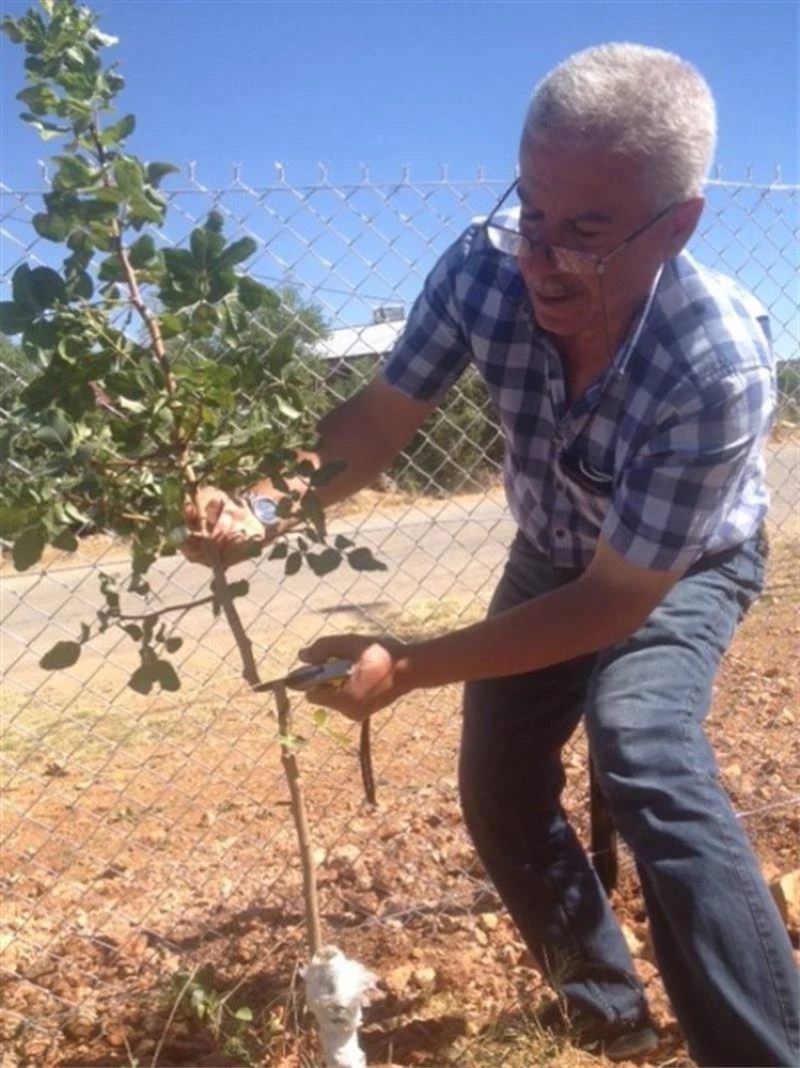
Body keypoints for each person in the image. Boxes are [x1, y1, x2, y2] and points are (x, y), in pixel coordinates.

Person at [184, 43, 799, 1067]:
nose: (539, 257)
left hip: (679, 565)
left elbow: (610, 602)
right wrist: (261, 505)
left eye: (586, 232)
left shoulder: (713, 358)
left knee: (639, 743)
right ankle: (606, 1012)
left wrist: (411, 665)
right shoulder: (482, 263)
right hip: (551, 546)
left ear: (676, 223)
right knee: (499, 788)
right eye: (533, 211)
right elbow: (376, 424)